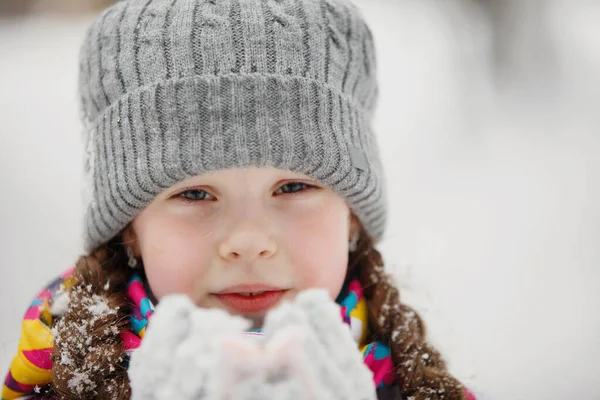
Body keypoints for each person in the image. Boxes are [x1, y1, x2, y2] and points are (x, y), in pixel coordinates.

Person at [2, 0, 477, 399]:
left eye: (293, 187)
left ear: (351, 217)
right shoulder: (55, 378)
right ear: (131, 228)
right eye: (194, 193)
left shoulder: (414, 383)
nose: (249, 242)